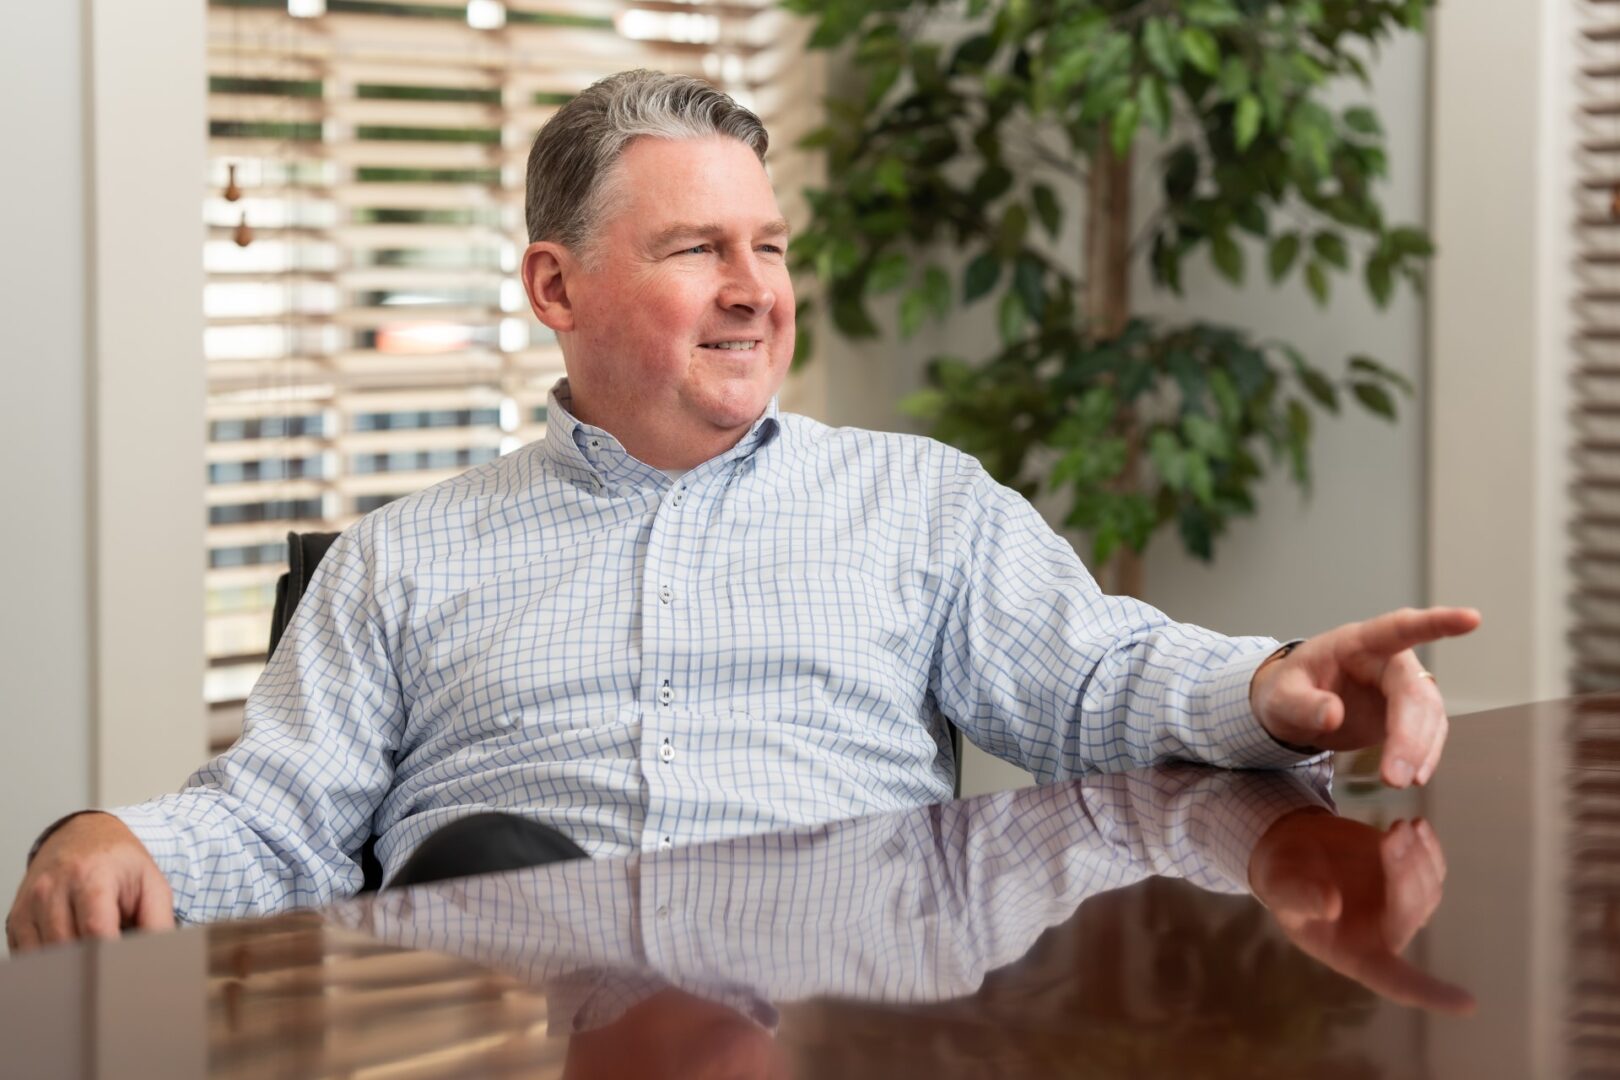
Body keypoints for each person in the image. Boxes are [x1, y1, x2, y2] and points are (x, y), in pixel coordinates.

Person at [6, 70, 1480, 953]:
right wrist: (108, 843)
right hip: (516, 1030)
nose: (755, 287)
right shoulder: (400, 561)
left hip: (842, 1028)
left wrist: (1275, 690)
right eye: (698, 247)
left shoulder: (917, 502)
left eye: (767, 243)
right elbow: (278, 822)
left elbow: (1094, 679)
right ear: (554, 289)